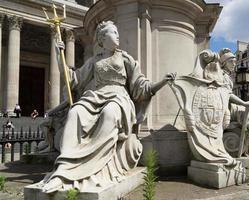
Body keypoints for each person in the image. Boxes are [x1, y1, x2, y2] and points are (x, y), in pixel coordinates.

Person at [40, 21, 175, 193]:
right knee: (75, 112)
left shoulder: (125, 58)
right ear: (102, 39)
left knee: (109, 113)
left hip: (119, 98)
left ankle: (94, 167)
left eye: (118, 32)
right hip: (95, 97)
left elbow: (141, 87)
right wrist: (60, 57)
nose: (118, 36)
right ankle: (64, 170)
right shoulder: (94, 61)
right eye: (113, 33)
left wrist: (162, 82)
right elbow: (74, 79)